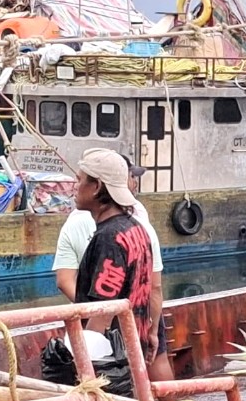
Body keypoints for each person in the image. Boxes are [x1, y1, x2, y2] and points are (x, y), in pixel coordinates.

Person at [54, 154, 173, 383]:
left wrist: (87, 367)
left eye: (80, 180)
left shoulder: (108, 238)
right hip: (134, 343)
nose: (74, 187)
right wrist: (152, 331)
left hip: (114, 355)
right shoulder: (136, 228)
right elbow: (153, 287)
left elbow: (103, 310)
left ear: (97, 187)